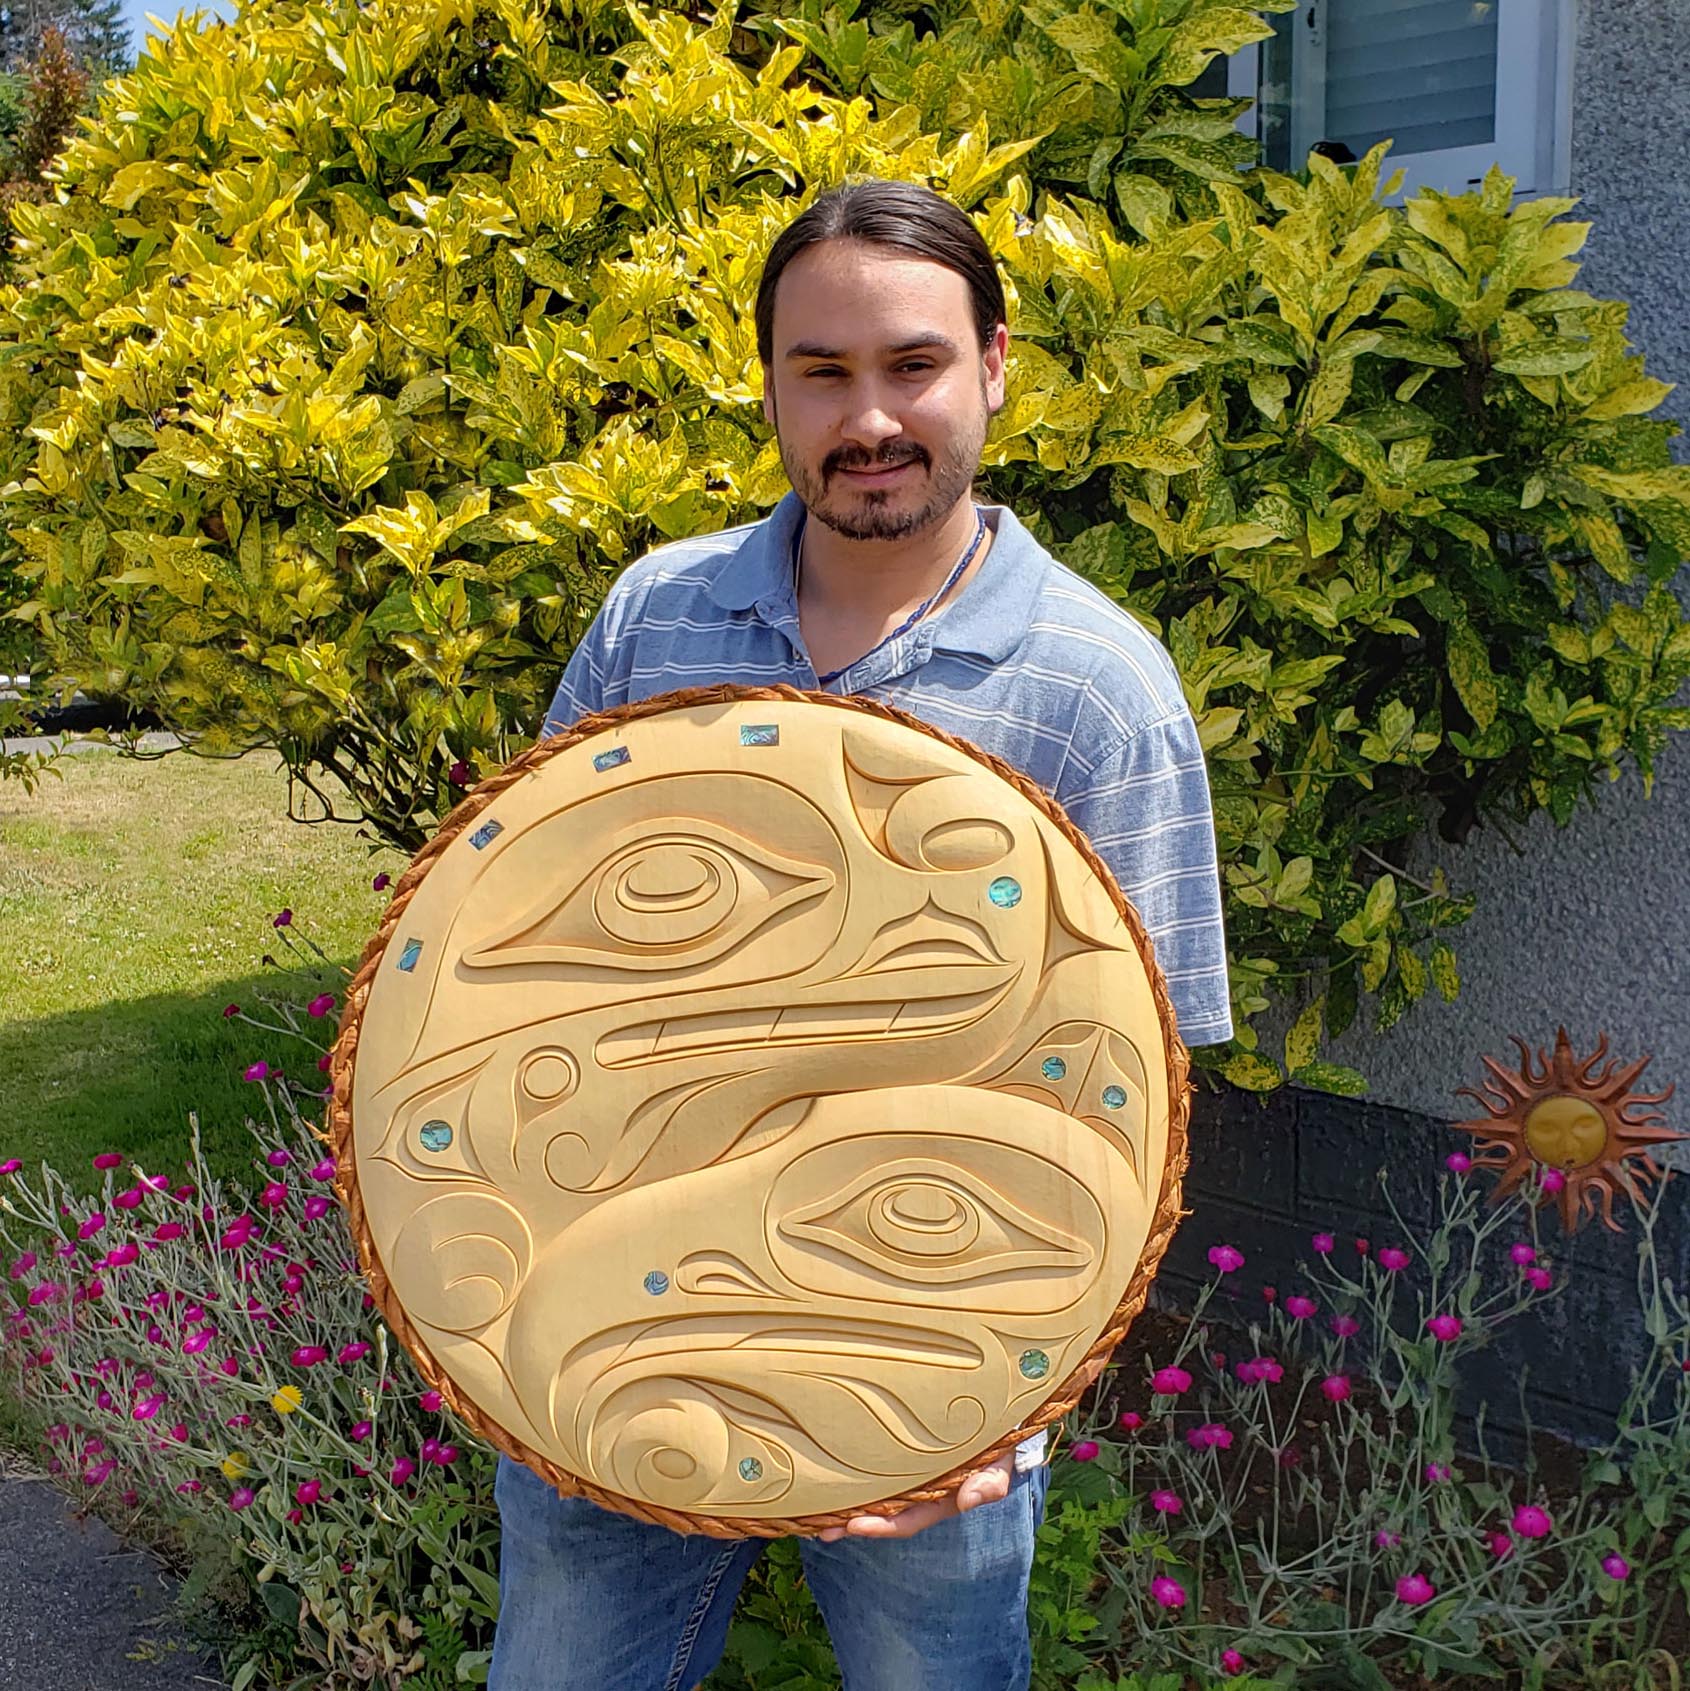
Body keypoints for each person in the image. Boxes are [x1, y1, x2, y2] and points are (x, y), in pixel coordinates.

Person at [488, 175, 1234, 1691]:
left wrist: (1008, 1399)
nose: (869, 417)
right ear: (769, 385)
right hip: (610, 1325)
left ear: (993, 369)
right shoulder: (654, 618)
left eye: (911, 366)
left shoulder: (1095, 684)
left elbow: (1132, 1102)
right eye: (821, 371)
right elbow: (521, 942)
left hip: (927, 1362)